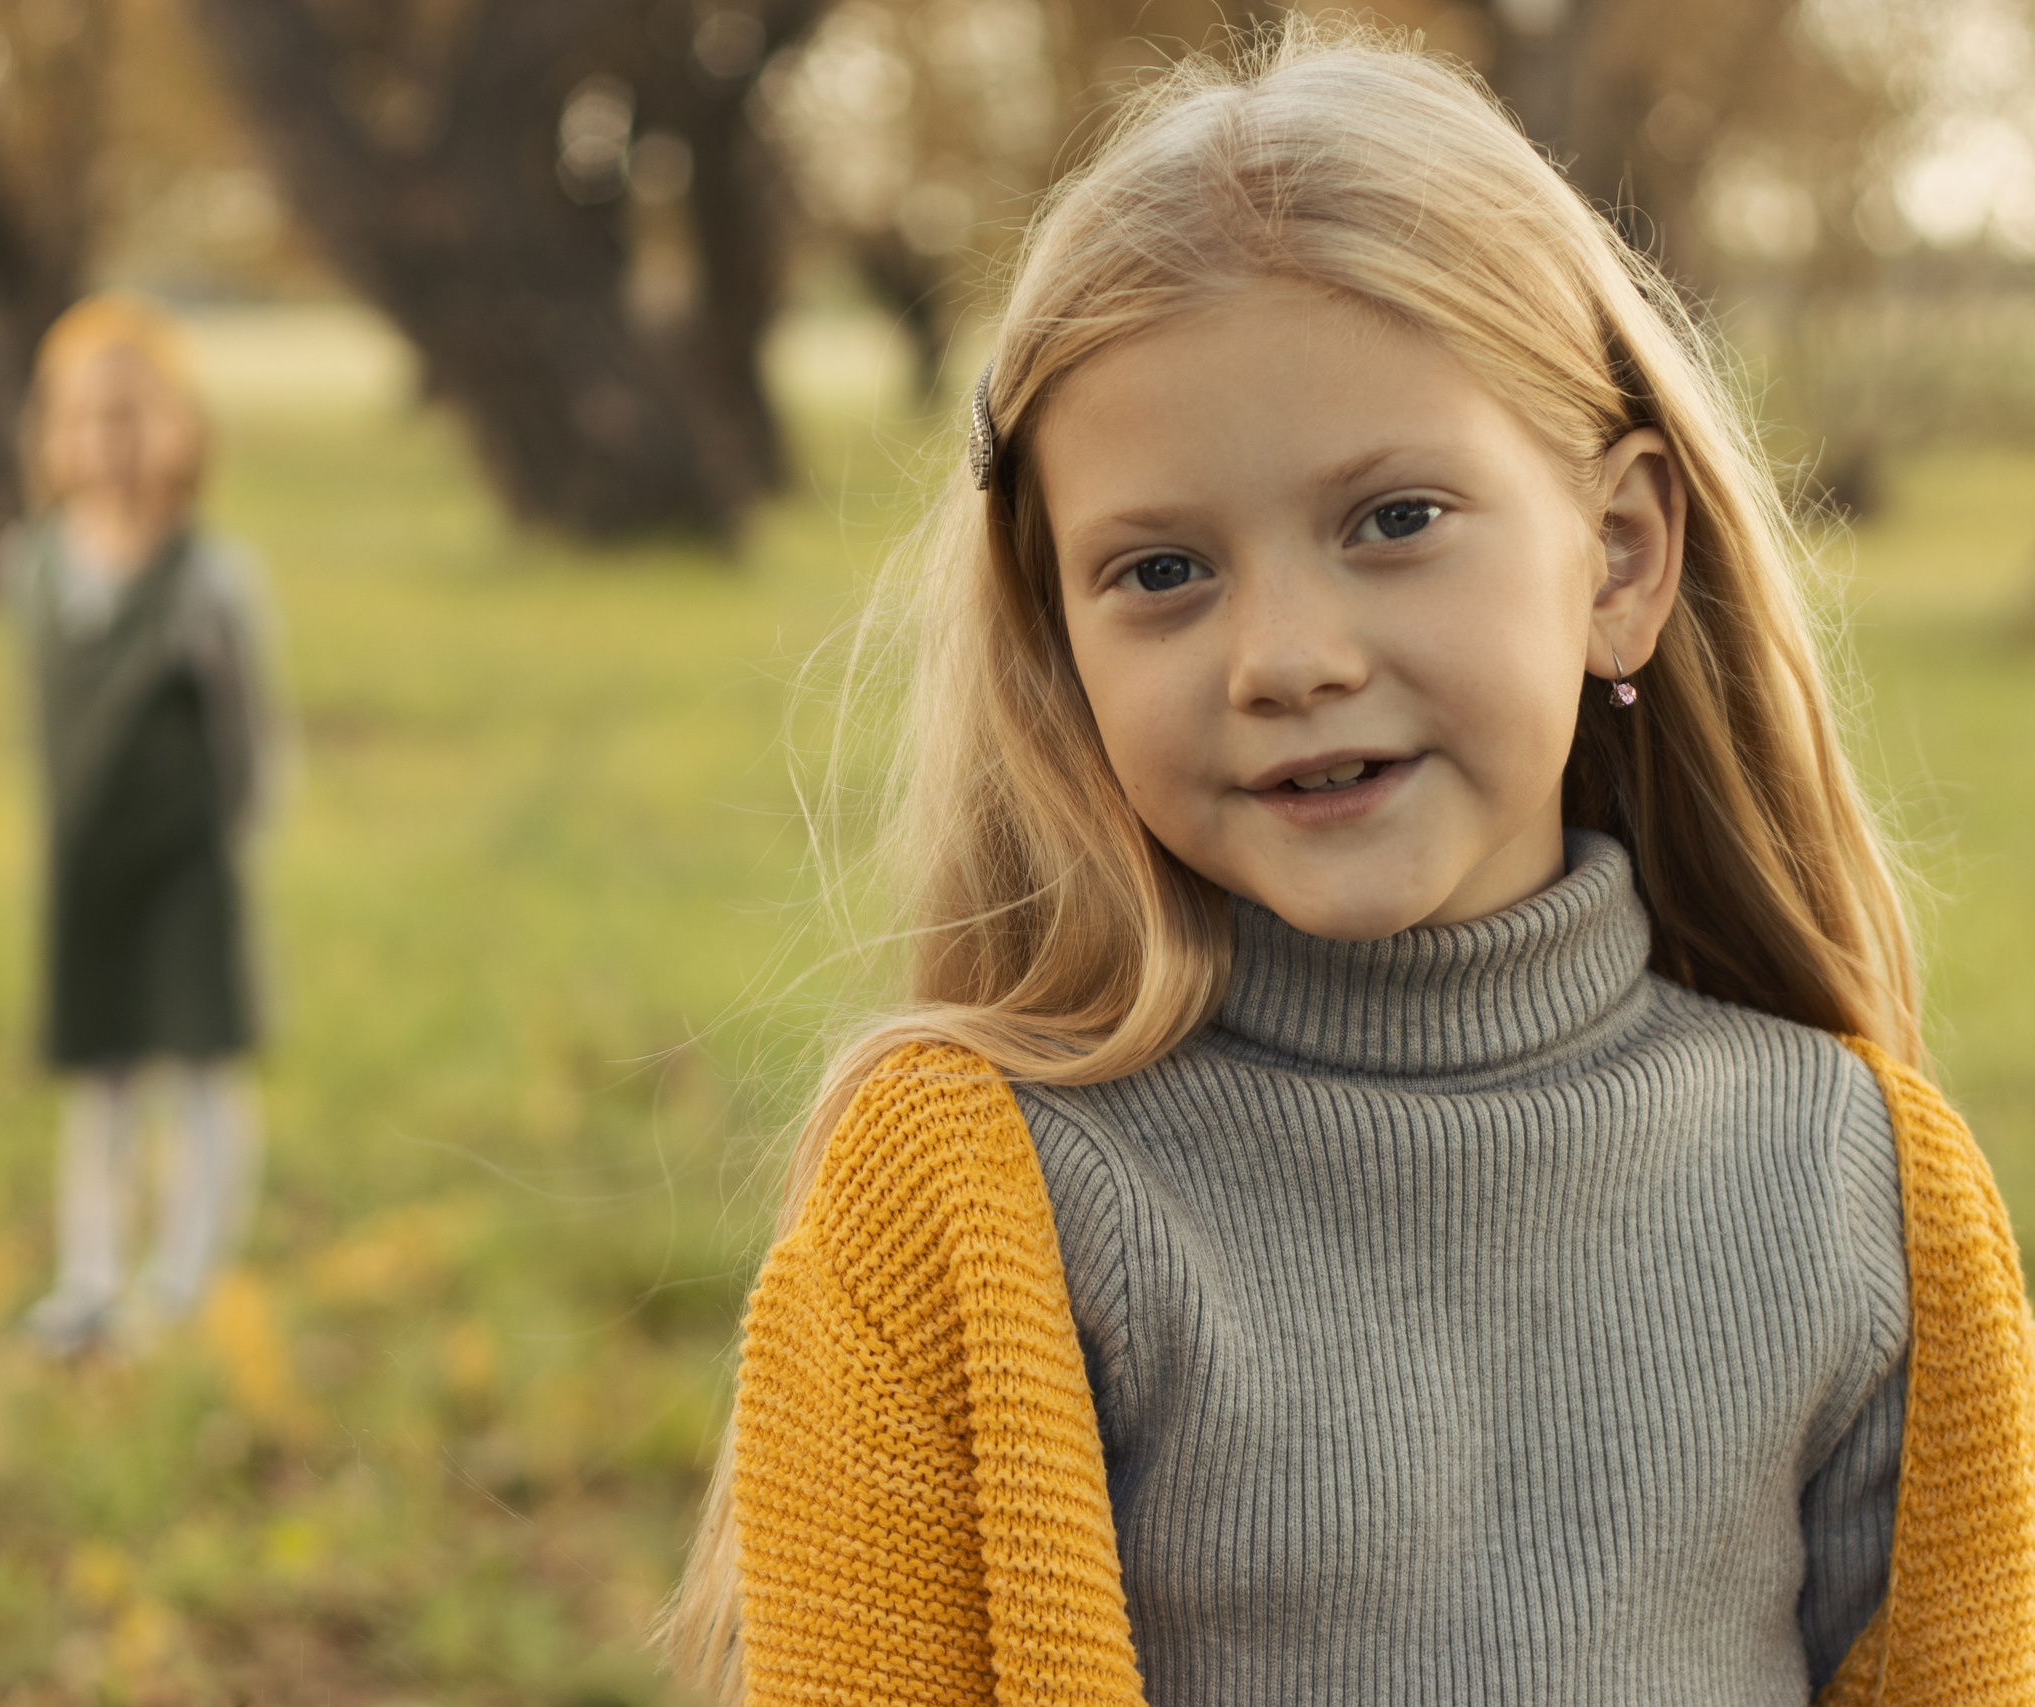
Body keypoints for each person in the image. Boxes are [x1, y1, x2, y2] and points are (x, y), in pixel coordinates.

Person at [665, 25, 2035, 1707]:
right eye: (1162, 569)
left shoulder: (1856, 1185)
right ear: (1060, 645)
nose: (1286, 657)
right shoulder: (963, 1204)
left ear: (1617, 553)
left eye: (1393, 520)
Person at [0, 294, 276, 1358]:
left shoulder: (209, 581)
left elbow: (250, 737)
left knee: (199, 1072)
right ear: (52, 435)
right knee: (98, 1078)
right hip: (86, 867)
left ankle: (184, 1280)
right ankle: (90, 1278)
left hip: (186, 866)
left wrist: (232, 840)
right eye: (84, 419)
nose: (108, 446)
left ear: (180, 430)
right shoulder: (29, 570)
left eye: (132, 418)